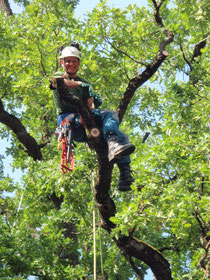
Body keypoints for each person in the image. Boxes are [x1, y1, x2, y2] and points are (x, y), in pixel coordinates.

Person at [50, 42, 135, 191]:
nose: (71, 64)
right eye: (67, 61)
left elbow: (91, 107)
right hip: (70, 122)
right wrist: (80, 85)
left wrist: (92, 102)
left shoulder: (85, 83)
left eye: (74, 61)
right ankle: (112, 142)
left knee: (119, 132)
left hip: (84, 121)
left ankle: (124, 174)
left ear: (78, 63)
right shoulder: (59, 76)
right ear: (62, 63)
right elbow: (56, 84)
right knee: (108, 116)